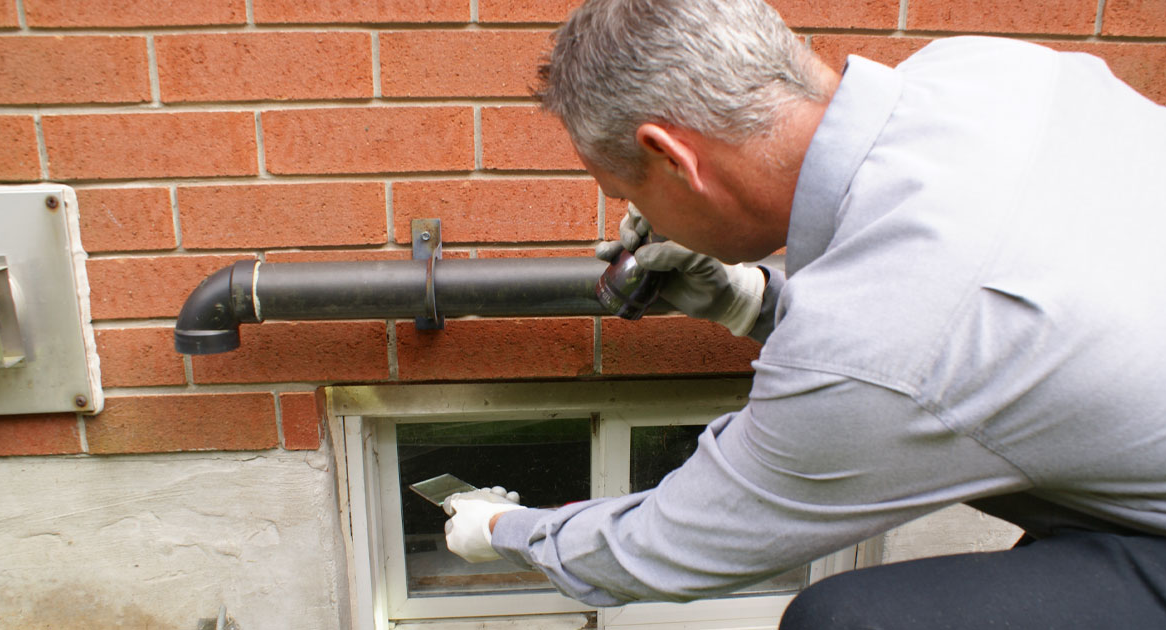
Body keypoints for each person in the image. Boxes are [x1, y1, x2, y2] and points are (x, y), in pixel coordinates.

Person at [442, 0, 1166, 626]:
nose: (633, 217)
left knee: (848, 623)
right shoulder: (983, 70)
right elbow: (967, 341)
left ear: (673, 157)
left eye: (622, 188)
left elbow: (674, 544)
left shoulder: (878, 343)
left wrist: (503, 531)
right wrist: (751, 300)